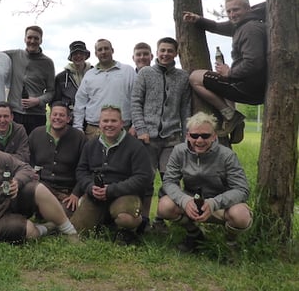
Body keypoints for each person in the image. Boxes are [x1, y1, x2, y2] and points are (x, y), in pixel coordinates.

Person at [158, 112, 252, 252]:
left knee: (241, 216)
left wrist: (214, 203)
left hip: (221, 205)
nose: (199, 140)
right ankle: (194, 234)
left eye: (205, 136)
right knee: (164, 206)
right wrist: (185, 201)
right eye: (195, 136)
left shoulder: (227, 155)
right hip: (192, 202)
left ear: (214, 136)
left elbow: (242, 189)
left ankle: (230, 242)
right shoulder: (179, 151)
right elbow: (169, 181)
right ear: (188, 135)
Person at [183, 0, 267, 136]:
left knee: (195, 77)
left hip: (248, 88)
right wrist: (198, 20)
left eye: (236, 10)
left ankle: (231, 116)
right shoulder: (242, 24)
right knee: (222, 83)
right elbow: (217, 27)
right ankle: (235, 124)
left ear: (248, 9)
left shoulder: (250, 29)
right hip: (251, 86)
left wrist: (230, 73)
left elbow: (254, 62)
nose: (232, 14)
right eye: (229, 11)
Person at [131, 37, 191, 233]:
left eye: (169, 51)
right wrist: (141, 129)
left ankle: (160, 218)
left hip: (172, 138)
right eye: (162, 50)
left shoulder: (183, 77)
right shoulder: (146, 73)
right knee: (145, 179)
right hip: (147, 138)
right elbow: (136, 102)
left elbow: (185, 108)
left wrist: (186, 135)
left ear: (176, 53)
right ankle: (143, 220)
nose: (165, 54)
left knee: (170, 179)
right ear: (156, 53)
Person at [71, 105, 154, 244]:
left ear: (122, 123)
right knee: (77, 230)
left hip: (125, 194)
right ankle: (105, 222)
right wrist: (90, 187)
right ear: (99, 123)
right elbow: (81, 171)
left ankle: (132, 228)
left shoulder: (135, 146)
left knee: (125, 218)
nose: (109, 124)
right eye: (105, 121)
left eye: (113, 121)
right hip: (96, 195)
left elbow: (143, 177)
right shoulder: (91, 145)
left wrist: (111, 190)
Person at [28, 102, 87, 217]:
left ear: (68, 119)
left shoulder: (79, 138)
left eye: (61, 115)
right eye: (54, 114)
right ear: (49, 117)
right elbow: (29, 161)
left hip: (66, 191)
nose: (57, 118)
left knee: (63, 213)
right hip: (42, 187)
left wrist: (76, 193)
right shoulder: (36, 134)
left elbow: (85, 169)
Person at [73, 39, 136, 139]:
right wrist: (78, 127)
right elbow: (80, 103)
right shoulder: (89, 75)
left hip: (123, 129)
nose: (103, 52)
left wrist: (135, 125)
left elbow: (136, 100)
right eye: (100, 50)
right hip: (94, 130)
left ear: (112, 50)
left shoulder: (128, 71)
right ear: (96, 53)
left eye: (106, 48)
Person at [5, 26, 55, 134]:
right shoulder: (14, 55)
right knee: (15, 144)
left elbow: (51, 91)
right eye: (29, 37)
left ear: (41, 40)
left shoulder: (47, 63)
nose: (32, 41)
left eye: (36, 38)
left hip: (37, 116)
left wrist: (38, 101)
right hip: (15, 114)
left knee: (36, 144)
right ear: (24, 39)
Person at [53, 41, 93, 116]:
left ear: (86, 55)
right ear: (71, 57)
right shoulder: (61, 77)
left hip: (92, 117)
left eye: (81, 53)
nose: (78, 56)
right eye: (75, 53)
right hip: (69, 119)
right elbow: (56, 101)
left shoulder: (95, 74)